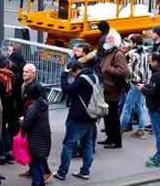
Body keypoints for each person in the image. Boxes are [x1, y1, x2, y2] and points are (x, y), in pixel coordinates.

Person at [53, 50, 97, 182]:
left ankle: (62, 172)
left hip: (78, 116)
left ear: (76, 70)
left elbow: (66, 90)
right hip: (91, 115)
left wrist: (64, 75)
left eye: (72, 72)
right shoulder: (93, 76)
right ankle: (85, 171)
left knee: (68, 145)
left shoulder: (82, 79)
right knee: (87, 144)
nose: (71, 75)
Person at [97, 32, 129, 149]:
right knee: (108, 116)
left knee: (113, 116)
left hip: (113, 89)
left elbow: (124, 71)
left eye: (110, 39)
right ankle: (110, 138)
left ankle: (116, 141)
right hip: (106, 89)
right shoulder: (108, 52)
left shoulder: (118, 54)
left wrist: (108, 69)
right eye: (107, 39)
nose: (107, 41)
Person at [139, 53, 160, 169]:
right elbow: (156, 89)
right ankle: (159, 155)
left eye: (151, 61)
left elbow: (153, 93)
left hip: (156, 106)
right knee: (159, 132)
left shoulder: (157, 75)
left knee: (158, 133)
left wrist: (142, 89)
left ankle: (159, 157)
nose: (149, 63)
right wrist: (147, 86)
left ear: (156, 62)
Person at [120, 35, 151, 139]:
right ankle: (141, 130)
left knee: (127, 106)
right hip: (143, 83)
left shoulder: (132, 54)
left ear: (134, 43)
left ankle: (122, 127)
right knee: (139, 107)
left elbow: (128, 69)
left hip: (134, 83)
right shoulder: (147, 52)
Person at [19, 83, 51, 186]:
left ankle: (37, 183)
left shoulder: (33, 107)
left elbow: (26, 125)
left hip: (35, 140)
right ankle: (41, 182)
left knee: (34, 164)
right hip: (44, 137)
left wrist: (20, 122)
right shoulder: (43, 104)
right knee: (39, 162)